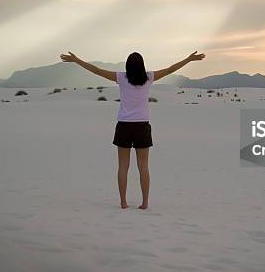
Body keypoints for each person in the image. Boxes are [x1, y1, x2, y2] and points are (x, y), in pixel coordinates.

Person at [59, 50, 206, 209]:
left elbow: (96, 71)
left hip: (124, 125)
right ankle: (145, 203)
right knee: (143, 166)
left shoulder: (121, 78)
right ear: (142, 65)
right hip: (142, 125)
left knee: (123, 166)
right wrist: (189, 59)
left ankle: (123, 202)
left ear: (128, 66)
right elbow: (171, 69)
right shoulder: (149, 77)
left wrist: (77, 60)